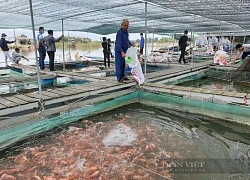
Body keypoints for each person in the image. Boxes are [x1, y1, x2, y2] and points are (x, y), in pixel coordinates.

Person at [115, 19, 134, 83]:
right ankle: (119, 78)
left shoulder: (126, 32)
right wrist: (122, 52)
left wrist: (130, 43)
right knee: (119, 64)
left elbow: (126, 40)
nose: (126, 27)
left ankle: (123, 76)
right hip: (120, 51)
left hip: (125, 51)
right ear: (122, 25)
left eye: (127, 25)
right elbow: (118, 43)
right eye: (125, 25)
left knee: (123, 64)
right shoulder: (119, 33)